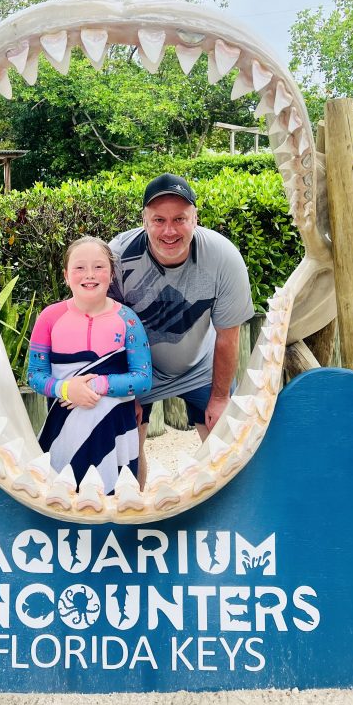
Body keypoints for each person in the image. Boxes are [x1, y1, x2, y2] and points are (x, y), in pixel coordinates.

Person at [109, 174, 254, 486]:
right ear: (144, 220)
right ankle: (136, 510)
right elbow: (108, 333)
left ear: (195, 219)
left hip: (201, 364)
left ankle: (221, 512)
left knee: (226, 449)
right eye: (159, 220)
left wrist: (219, 397)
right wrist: (127, 393)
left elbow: (228, 336)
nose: (169, 231)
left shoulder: (223, 257)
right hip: (139, 369)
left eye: (179, 219)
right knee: (126, 454)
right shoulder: (117, 256)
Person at [27, 236, 152, 494]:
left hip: (115, 431)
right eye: (80, 267)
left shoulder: (128, 320)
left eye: (99, 267)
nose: (90, 274)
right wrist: (66, 389)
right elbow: (35, 375)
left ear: (111, 274)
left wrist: (97, 385)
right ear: (66, 275)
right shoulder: (49, 318)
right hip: (65, 432)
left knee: (117, 500)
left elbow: (142, 378)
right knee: (64, 500)